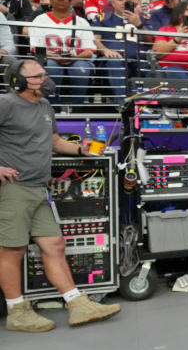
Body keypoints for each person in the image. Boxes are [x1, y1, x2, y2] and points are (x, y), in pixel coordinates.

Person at [0, 57, 121, 332]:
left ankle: (77, 303)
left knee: (54, 244)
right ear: (18, 82)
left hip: (38, 187)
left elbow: (54, 141)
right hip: (12, 189)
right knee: (12, 249)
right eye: (38, 76)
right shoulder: (5, 104)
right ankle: (17, 310)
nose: (45, 79)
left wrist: (82, 149)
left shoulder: (44, 106)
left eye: (44, 74)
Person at [29, 0, 97, 105]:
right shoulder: (40, 20)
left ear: (70, 2)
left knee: (81, 69)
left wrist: (72, 58)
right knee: (52, 67)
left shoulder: (82, 22)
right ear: (50, 0)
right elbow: (36, 49)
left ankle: (78, 105)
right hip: (50, 58)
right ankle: (52, 105)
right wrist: (56, 57)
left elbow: (89, 51)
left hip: (77, 58)